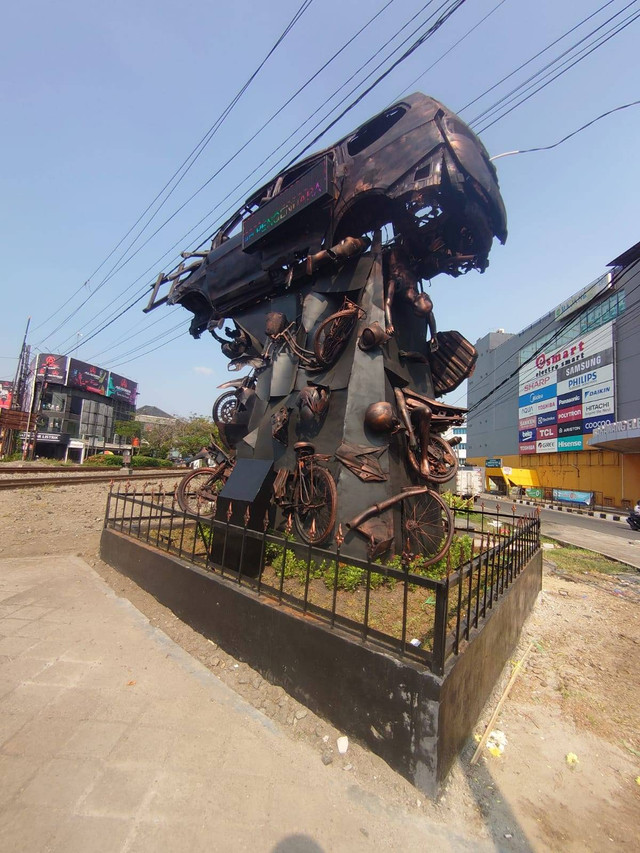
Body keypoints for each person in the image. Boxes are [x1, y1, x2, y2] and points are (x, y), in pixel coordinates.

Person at [384, 245, 438, 351]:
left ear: (417, 302)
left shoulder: (397, 283)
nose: (425, 295)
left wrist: (389, 323)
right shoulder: (404, 285)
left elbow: (388, 303)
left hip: (394, 257)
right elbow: (388, 303)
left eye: (424, 298)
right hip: (399, 255)